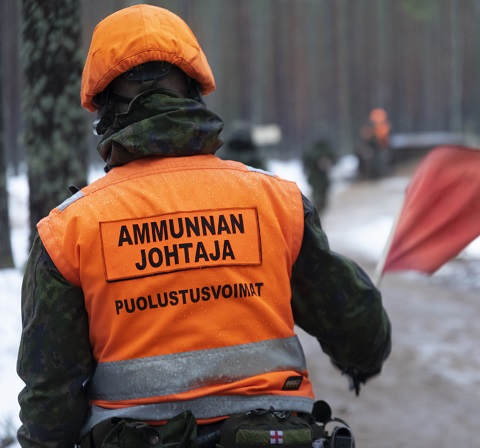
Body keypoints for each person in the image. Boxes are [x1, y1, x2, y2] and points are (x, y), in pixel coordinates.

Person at [16, 5, 391, 448]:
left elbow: (50, 404)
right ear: (195, 90)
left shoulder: (69, 231)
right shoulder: (276, 202)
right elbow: (362, 332)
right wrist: (361, 354)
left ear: (103, 107)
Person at [302, 138, 336, 212]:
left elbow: (334, 159)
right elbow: (307, 162)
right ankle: (317, 211)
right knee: (318, 197)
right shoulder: (313, 152)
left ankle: (318, 210)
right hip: (316, 177)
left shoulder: (322, 150)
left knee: (322, 197)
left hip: (322, 177)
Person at [358, 108, 392, 179]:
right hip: (376, 147)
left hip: (380, 147)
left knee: (380, 160)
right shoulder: (372, 127)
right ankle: (370, 175)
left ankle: (377, 174)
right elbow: (366, 137)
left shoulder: (383, 127)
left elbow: (383, 139)